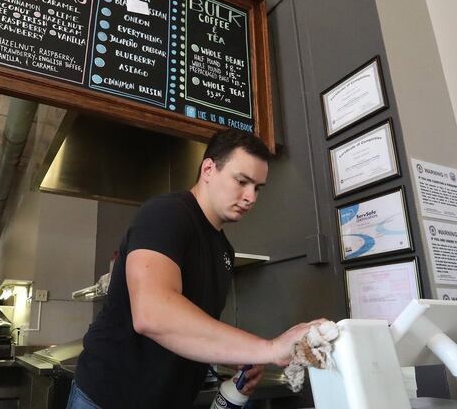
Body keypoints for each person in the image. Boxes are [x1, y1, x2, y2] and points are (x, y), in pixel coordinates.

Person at [70, 130, 326, 408]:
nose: (251, 197)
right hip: (108, 399)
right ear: (208, 169)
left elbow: (193, 326)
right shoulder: (166, 214)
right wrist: (270, 348)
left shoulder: (223, 249)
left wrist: (238, 355)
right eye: (242, 181)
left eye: (258, 188)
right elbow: (152, 314)